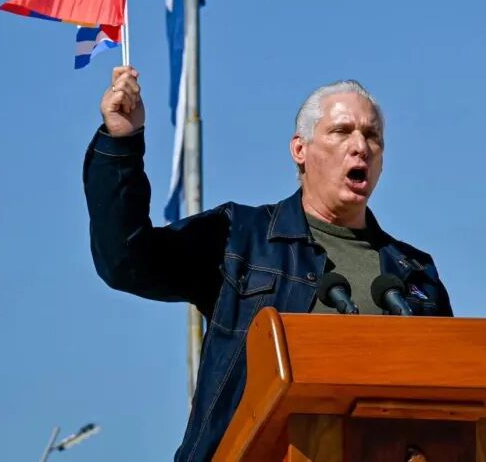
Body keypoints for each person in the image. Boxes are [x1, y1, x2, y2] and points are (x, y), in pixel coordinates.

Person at [83, 66, 453, 462]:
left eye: (372, 135)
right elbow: (126, 261)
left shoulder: (412, 273)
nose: (360, 146)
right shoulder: (241, 237)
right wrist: (121, 142)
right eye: (342, 131)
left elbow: (456, 398)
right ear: (300, 150)